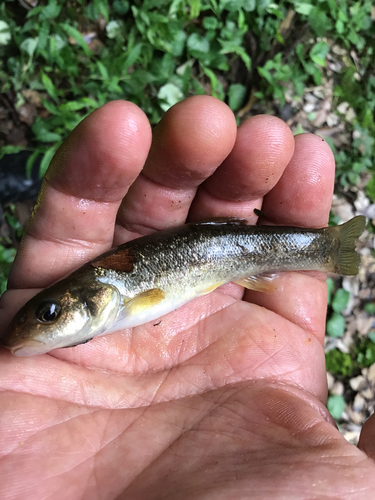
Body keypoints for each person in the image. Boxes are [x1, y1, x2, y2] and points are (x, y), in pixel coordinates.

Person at [0, 96, 374, 499]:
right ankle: (328, 248)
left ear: (86, 296)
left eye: (50, 313)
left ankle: (327, 248)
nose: (45, 320)